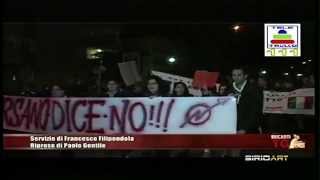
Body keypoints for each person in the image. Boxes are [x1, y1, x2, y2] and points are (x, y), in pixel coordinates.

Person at [228, 66, 263, 134]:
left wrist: (245, 128)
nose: (236, 77)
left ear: (245, 76)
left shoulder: (254, 89)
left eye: (239, 75)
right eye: (234, 75)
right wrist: (227, 99)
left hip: (249, 129)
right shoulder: (228, 89)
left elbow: (256, 111)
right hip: (232, 127)